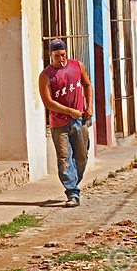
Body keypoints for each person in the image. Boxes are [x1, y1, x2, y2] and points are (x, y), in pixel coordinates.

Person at [39, 39, 93, 207]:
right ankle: (72, 192)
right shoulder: (46, 75)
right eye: (57, 56)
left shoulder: (77, 66)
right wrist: (70, 111)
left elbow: (87, 85)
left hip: (79, 120)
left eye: (63, 55)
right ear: (50, 55)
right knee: (64, 158)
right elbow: (48, 103)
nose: (61, 59)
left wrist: (89, 107)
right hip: (59, 124)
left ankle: (73, 183)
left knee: (82, 156)